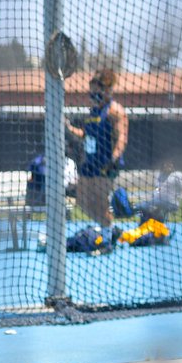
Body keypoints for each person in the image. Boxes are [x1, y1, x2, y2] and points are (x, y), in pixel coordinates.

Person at [65, 68, 128, 244]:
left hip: (105, 164)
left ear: (107, 90)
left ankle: (107, 239)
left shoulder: (115, 111)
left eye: (96, 91)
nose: (92, 95)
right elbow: (85, 134)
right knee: (82, 203)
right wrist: (68, 128)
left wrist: (114, 159)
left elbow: (122, 137)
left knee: (100, 204)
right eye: (91, 91)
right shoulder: (93, 111)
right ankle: (110, 230)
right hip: (89, 162)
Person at [134, 158, 182, 223]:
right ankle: (145, 225)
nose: (170, 165)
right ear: (163, 164)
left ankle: (159, 226)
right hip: (156, 201)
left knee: (156, 211)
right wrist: (153, 196)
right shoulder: (159, 175)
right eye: (167, 163)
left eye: (171, 163)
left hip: (171, 203)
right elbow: (158, 188)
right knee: (138, 207)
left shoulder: (178, 175)